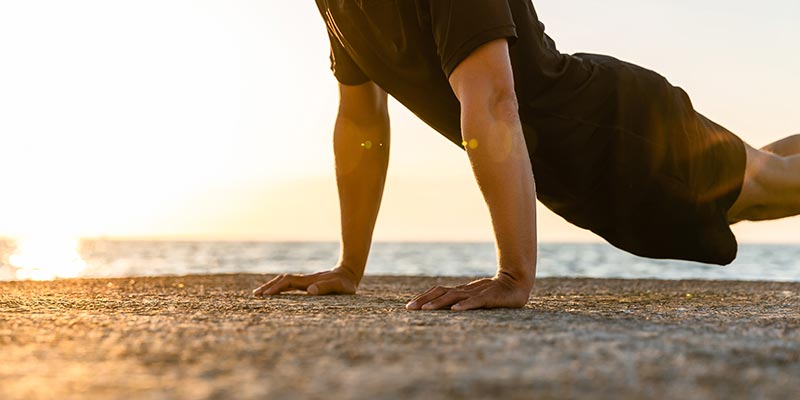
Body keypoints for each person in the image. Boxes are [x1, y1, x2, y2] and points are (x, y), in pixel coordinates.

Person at [253, 0, 800, 310]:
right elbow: (362, 119)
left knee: (770, 188)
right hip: (580, 172)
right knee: (762, 178)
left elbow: (493, 100)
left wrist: (513, 275)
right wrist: (350, 268)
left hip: (623, 136)